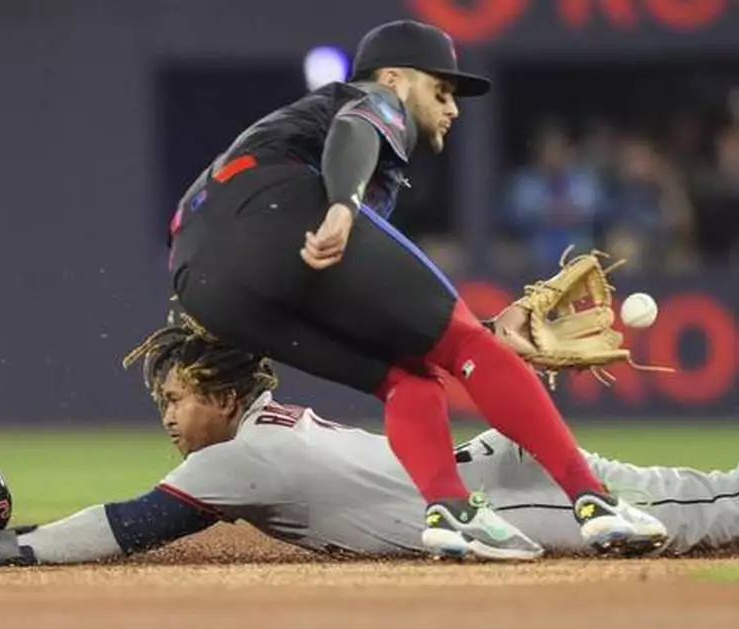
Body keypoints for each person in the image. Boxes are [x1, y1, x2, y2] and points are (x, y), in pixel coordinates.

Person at [162, 18, 663, 560]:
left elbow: (400, 317)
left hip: (199, 280)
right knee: (469, 346)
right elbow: (355, 127)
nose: (453, 107)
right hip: (275, 209)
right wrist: (341, 205)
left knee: (409, 379)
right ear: (397, 78)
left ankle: (451, 512)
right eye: (441, 90)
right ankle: (596, 503)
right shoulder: (376, 98)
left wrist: (488, 336)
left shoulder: (318, 142)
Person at [0, 324, 739, 568]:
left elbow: (134, 524)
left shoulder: (235, 454)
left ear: (213, 389)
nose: (165, 412)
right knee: (697, 503)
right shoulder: (255, 433)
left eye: (171, 394)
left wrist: (10, 552)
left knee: (698, 513)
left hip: (492, 497)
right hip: (483, 475)